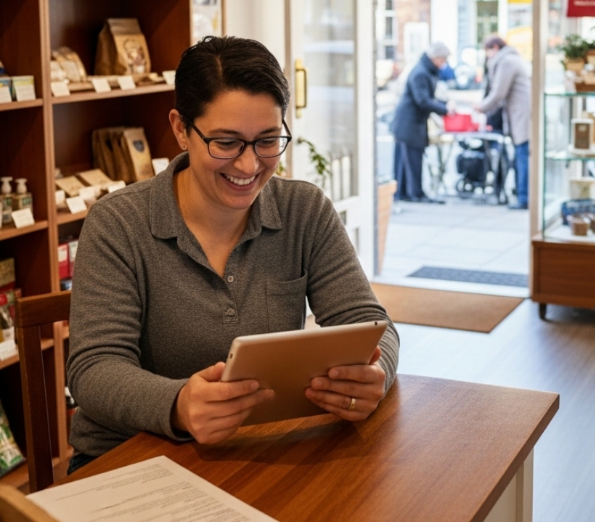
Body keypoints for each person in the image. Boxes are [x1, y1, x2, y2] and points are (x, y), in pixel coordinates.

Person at [66, 36, 399, 470]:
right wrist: (179, 404)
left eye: (267, 140)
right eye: (226, 143)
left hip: (260, 452)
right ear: (181, 129)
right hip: (130, 459)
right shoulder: (118, 223)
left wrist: (376, 375)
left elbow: (372, 326)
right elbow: (94, 370)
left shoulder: (303, 210)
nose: (248, 166)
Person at [390, 42, 454, 203]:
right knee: (412, 159)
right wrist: (444, 109)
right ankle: (415, 193)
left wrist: (444, 104)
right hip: (409, 123)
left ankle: (403, 193)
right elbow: (423, 100)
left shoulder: (424, 70)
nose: (444, 63)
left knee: (405, 161)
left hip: (409, 123)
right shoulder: (421, 73)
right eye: (443, 59)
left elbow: (426, 98)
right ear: (436, 57)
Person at [474, 35, 531, 210]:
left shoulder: (506, 62)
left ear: (496, 48)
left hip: (522, 115)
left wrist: (480, 107)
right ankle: (522, 194)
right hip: (523, 114)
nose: (488, 56)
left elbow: (498, 92)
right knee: (521, 155)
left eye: (488, 51)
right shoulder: (513, 59)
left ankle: (524, 197)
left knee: (522, 155)